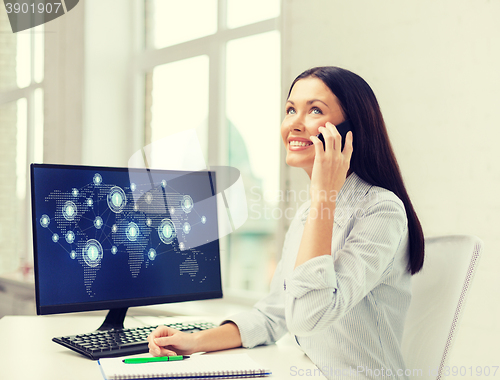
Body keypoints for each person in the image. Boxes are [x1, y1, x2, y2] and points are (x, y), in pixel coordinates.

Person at [147, 66, 425, 379]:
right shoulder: (308, 214)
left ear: (350, 131)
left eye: (315, 110)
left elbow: (309, 316)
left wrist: (323, 197)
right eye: (290, 109)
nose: (294, 123)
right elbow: (274, 313)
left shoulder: (381, 210)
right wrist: (195, 341)